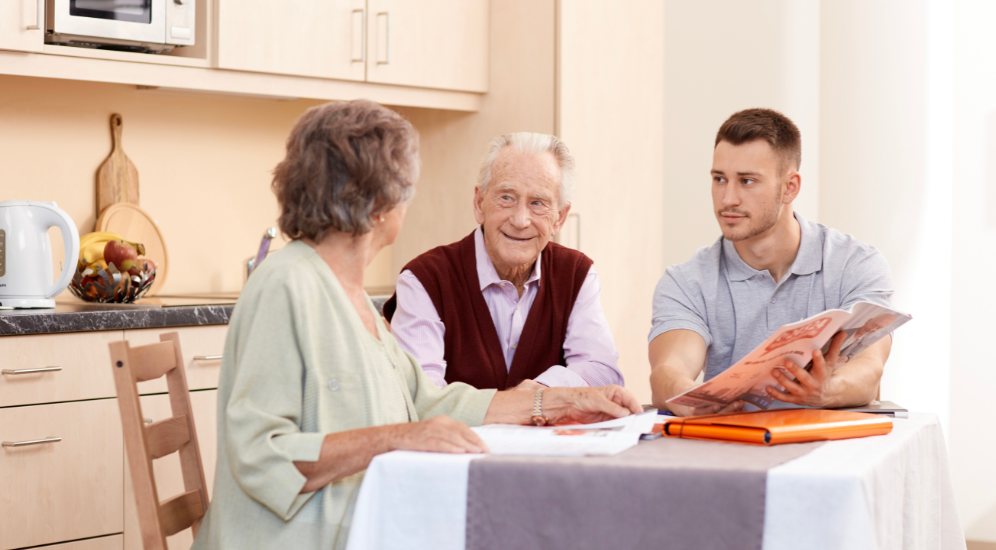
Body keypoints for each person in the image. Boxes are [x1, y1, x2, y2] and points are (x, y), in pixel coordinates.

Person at [191, 101, 641, 550]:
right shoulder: (285, 284)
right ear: (378, 205)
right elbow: (259, 454)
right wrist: (397, 437)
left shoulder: (350, 297)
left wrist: (560, 402)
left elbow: (427, 401)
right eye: (405, 186)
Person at [648, 108, 895, 416]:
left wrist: (825, 391)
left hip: (830, 452)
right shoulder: (686, 282)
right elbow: (668, 372)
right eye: (720, 179)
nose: (727, 199)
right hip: (731, 450)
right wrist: (692, 402)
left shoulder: (855, 264)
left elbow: (870, 368)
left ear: (790, 187)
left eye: (747, 181)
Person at [383, 132, 622, 391]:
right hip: (460, 433)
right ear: (479, 203)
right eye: (506, 198)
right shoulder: (425, 280)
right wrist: (535, 403)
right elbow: (422, 396)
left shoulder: (576, 274)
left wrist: (533, 393)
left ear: (560, 218)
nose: (520, 220)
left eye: (537, 203)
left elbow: (601, 370)